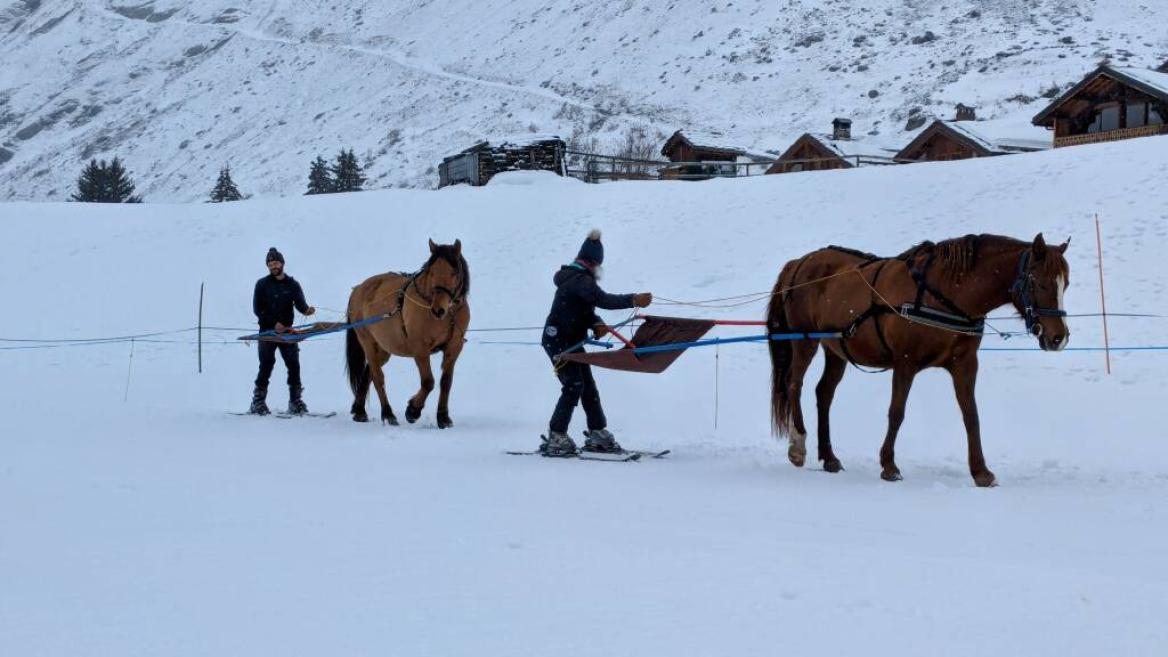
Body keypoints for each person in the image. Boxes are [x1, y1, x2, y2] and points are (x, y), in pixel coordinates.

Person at [540, 230, 652, 456]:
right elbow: (602, 300)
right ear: (594, 263)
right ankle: (557, 436)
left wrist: (596, 322)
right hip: (559, 342)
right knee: (573, 385)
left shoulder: (575, 278)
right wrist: (633, 300)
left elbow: (583, 310)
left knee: (587, 386)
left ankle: (597, 432)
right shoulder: (581, 280)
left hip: (569, 340)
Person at [250, 247, 315, 415]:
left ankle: (295, 402)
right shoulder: (262, 284)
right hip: (267, 333)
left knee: (294, 365)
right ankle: (257, 402)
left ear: (282, 263)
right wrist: (274, 323)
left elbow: (301, 305)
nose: (273, 266)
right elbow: (258, 309)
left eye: (276, 263)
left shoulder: (293, 284)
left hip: (287, 333)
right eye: (270, 264)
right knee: (266, 365)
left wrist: (307, 310)